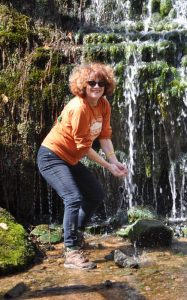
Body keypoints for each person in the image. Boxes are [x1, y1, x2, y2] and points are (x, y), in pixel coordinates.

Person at [37, 62, 128, 270]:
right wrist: (108, 166)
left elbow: (104, 137)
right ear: (83, 85)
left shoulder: (104, 105)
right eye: (92, 82)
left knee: (95, 194)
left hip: (71, 158)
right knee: (73, 197)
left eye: (101, 83)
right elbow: (85, 147)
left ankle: (75, 234)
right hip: (52, 157)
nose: (97, 86)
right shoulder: (78, 108)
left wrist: (115, 162)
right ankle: (70, 252)